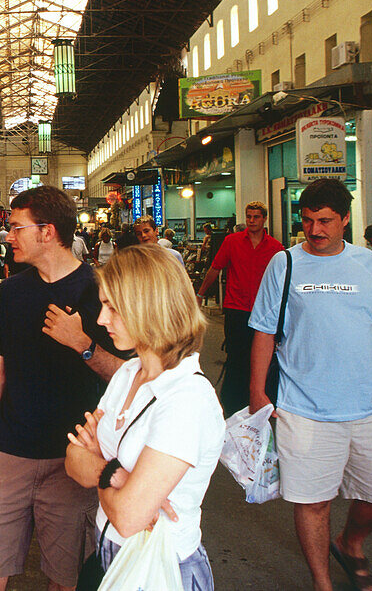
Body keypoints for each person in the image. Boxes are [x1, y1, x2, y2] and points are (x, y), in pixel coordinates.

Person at [248, 178, 372, 591]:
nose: (315, 230)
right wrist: (257, 392)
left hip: (371, 405)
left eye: (326, 221)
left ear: (346, 219)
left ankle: (349, 543)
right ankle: (323, 582)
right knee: (313, 502)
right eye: (308, 221)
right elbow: (264, 330)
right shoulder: (285, 264)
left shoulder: (368, 263)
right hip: (304, 407)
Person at [0, 186, 124, 591]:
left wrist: (82, 344)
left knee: (65, 577)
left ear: (47, 231)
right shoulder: (11, 292)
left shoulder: (100, 291)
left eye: (16, 228)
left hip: (75, 458)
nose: (7, 236)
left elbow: (130, 377)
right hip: (11, 450)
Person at [65, 245, 225, 589]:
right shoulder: (128, 374)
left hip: (161, 567)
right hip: (111, 554)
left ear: (150, 307)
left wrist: (99, 462)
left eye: (113, 307)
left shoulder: (187, 400)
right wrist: (117, 476)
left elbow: (128, 517)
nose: (101, 319)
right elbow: (72, 460)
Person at [195, 201, 284, 415]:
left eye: (256, 217)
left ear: (264, 219)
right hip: (237, 309)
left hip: (264, 312)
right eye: (249, 216)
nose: (252, 220)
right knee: (236, 358)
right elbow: (215, 269)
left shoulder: (276, 248)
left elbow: (282, 279)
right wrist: (199, 294)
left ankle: (263, 400)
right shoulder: (231, 241)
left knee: (264, 358)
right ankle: (233, 404)